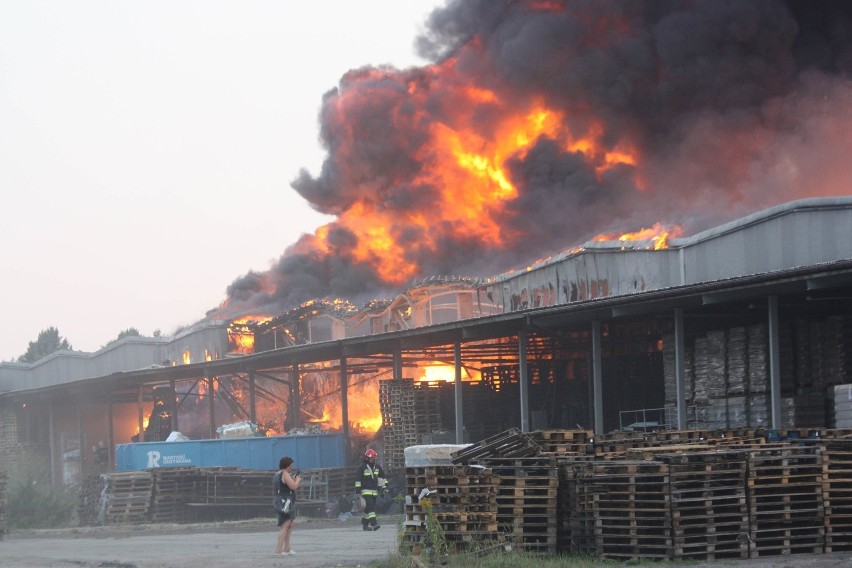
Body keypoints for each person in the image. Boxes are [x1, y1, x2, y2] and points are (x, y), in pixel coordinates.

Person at [274, 456, 302, 555]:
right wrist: (297, 480)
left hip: (282, 501)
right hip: (285, 502)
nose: (292, 467)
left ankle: (287, 548)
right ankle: (279, 550)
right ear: (287, 465)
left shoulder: (278, 474)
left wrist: (293, 479)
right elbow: (293, 486)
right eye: (291, 465)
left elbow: (286, 485)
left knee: (290, 524)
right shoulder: (285, 474)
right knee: (285, 525)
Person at [354, 448, 387, 531]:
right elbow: (358, 481)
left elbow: (382, 477)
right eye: (371, 458)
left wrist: (383, 487)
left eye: (374, 459)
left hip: (374, 492)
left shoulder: (377, 467)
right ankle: (374, 524)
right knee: (371, 508)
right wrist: (358, 492)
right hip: (365, 491)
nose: (373, 460)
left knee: (368, 509)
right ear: (367, 458)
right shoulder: (361, 468)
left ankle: (365, 525)